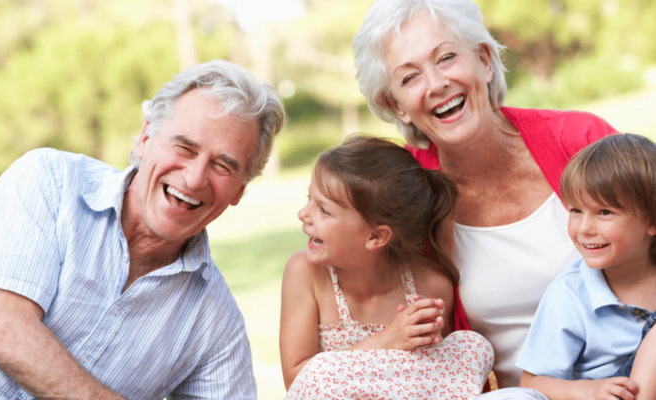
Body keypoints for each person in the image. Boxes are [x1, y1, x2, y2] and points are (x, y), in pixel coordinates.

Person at [0, 60, 285, 399]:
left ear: (239, 190)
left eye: (222, 166)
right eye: (185, 147)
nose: (195, 178)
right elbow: (7, 337)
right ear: (144, 137)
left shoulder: (216, 325)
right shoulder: (49, 181)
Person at [352, 0, 617, 388]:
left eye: (445, 58)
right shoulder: (403, 198)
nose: (436, 83)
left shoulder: (582, 141)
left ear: (485, 61)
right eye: (409, 78)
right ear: (396, 106)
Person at [280, 135, 495, 399]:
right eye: (309, 199)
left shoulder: (429, 286)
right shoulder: (305, 273)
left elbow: (435, 380)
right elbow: (298, 380)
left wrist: (427, 347)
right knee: (317, 373)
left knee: (471, 346)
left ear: (376, 237)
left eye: (323, 210)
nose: (304, 214)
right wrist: (387, 340)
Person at [517, 134, 656, 400]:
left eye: (604, 212)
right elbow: (531, 383)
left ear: (652, 221)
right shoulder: (571, 293)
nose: (584, 229)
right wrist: (585, 390)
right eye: (576, 210)